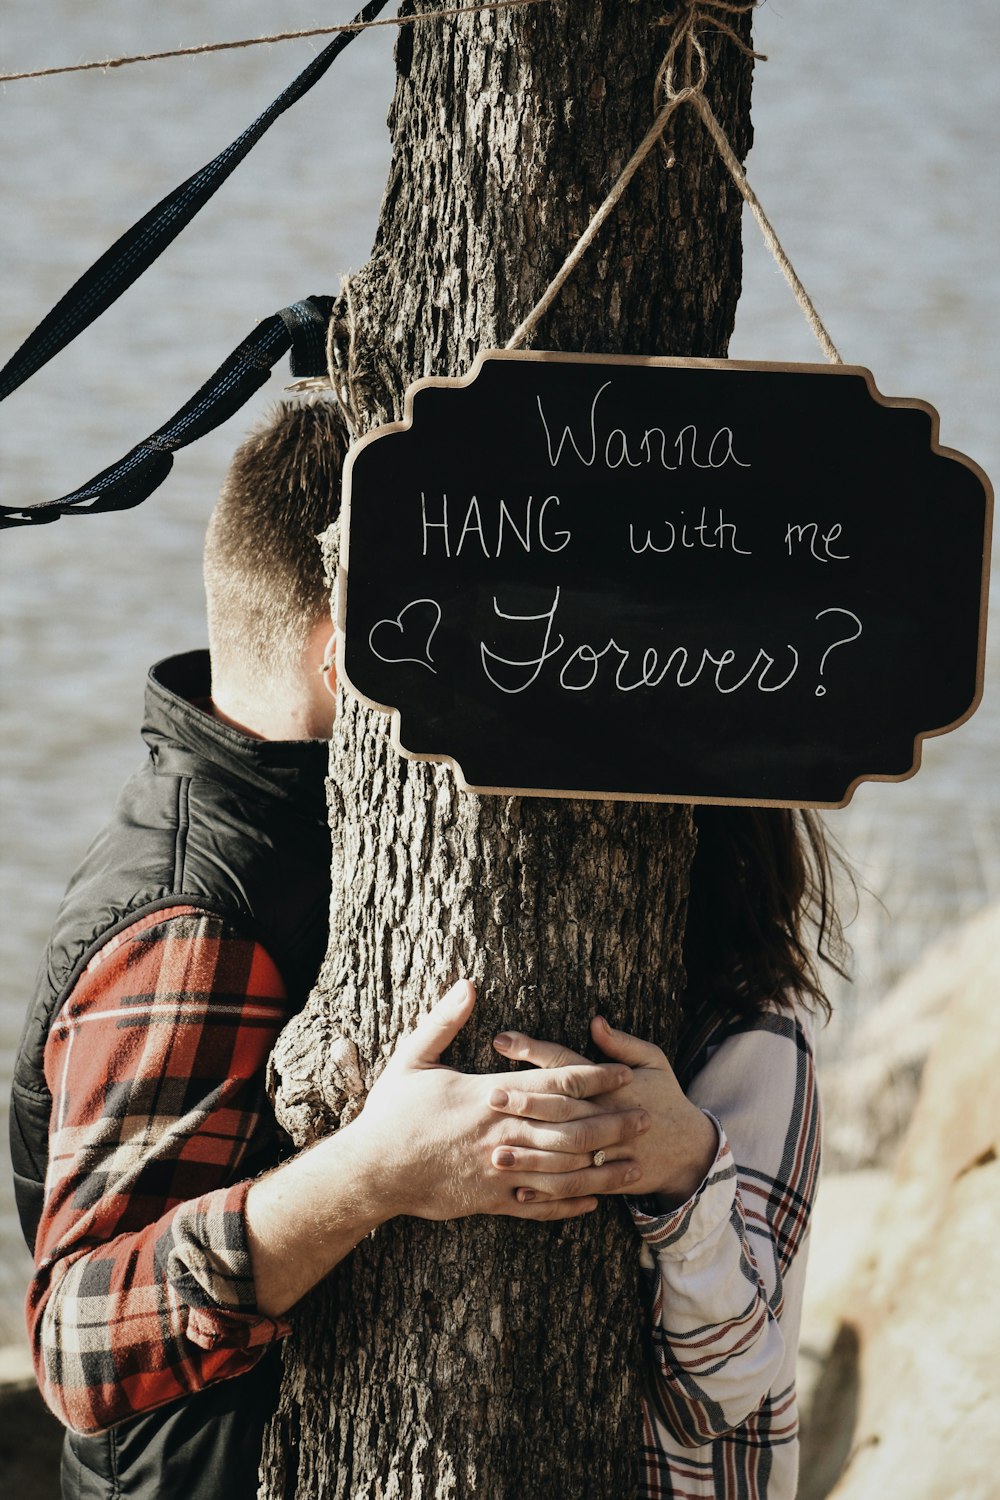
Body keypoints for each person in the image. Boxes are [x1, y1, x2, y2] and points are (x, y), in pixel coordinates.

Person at [10, 396, 847, 1500]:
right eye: (464, 631)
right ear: (349, 658)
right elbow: (75, 1347)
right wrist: (369, 1174)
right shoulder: (200, 921)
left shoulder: (297, 841)